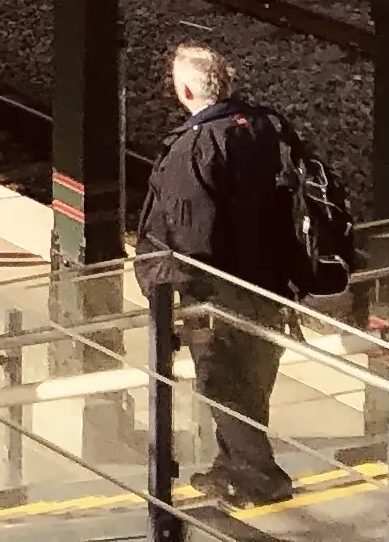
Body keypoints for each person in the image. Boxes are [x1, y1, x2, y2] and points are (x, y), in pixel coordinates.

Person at [133, 40, 300, 506]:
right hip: (271, 282)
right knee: (254, 380)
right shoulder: (266, 127)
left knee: (221, 381)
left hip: (219, 293)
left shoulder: (197, 146)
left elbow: (189, 236)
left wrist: (169, 295)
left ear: (185, 89)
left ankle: (259, 477)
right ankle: (231, 467)